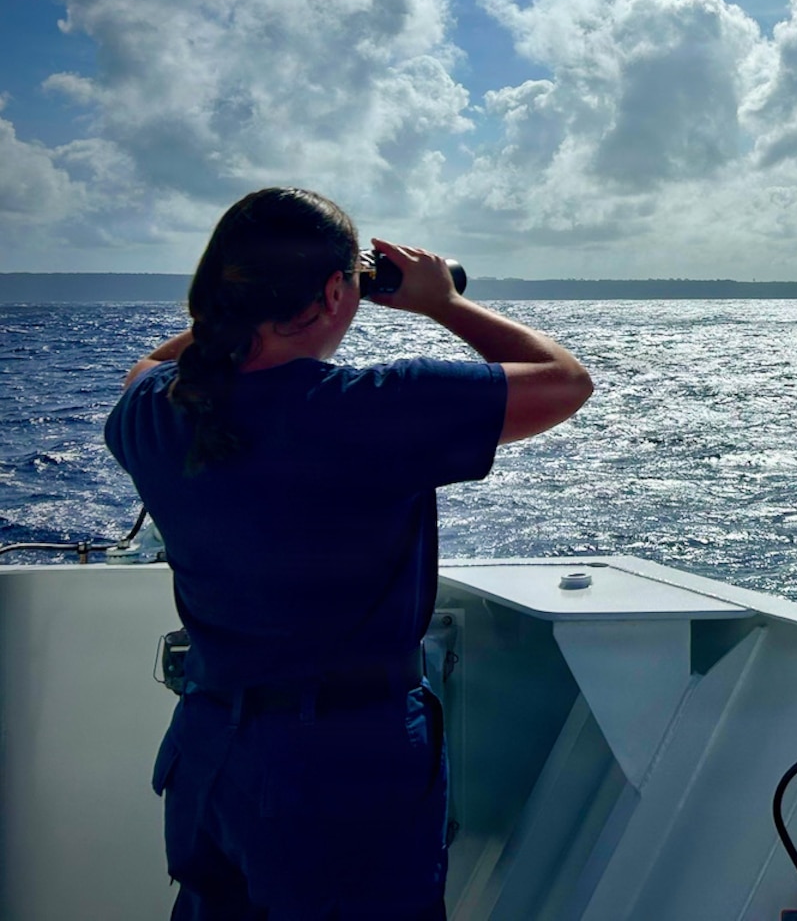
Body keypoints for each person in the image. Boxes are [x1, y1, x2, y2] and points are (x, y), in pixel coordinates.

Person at [105, 187, 593, 919]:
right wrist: (442, 304)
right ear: (335, 290)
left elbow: (142, 369)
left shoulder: (155, 413)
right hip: (339, 771)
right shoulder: (368, 408)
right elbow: (566, 382)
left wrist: (238, 317)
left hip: (209, 757)